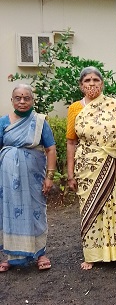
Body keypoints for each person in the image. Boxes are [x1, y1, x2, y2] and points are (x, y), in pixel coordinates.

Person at [67, 67, 116, 270]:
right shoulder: (75, 109)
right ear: (81, 85)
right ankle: (92, 254)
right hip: (87, 166)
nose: (92, 83)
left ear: (102, 84)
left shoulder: (114, 105)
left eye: (96, 80)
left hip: (112, 162)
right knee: (90, 207)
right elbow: (71, 142)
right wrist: (70, 173)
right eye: (87, 80)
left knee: (114, 206)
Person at [0, 84, 56, 272]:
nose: (22, 101)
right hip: (8, 181)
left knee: (36, 211)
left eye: (26, 98)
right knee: (9, 212)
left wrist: (49, 177)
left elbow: (51, 149)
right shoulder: (3, 122)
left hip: (34, 178)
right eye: (18, 98)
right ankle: (11, 255)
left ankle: (40, 253)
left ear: (33, 100)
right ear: (12, 100)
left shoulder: (40, 122)